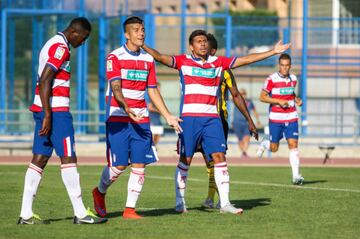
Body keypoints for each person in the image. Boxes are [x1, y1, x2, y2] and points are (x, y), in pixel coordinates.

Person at [143, 29, 290, 214]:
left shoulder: (218, 63)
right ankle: (180, 202)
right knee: (185, 160)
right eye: (198, 41)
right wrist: (143, 45)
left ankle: (225, 204)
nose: (203, 44)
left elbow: (246, 59)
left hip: (212, 119)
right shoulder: (182, 61)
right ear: (191, 46)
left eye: (204, 41)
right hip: (189, 120)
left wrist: (272, 52)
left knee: (219, 158)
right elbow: (160, 57)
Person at [18, 17, 107, 224]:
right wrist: (49, 114)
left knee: (39, 159)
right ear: (74, 32)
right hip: (55, 112)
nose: (82, 43)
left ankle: (25, 213)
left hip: (44, 109)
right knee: (68, 157)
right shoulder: (61, 47)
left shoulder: (53, 43)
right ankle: (80, 213)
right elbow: (45, 79)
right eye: (83, 38)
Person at [92, 16, 182, 219]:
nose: (141, 33)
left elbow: (152, 90)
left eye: (142, 29)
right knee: (120, 165)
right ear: (126, 34)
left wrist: (168, 115)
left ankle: (129, 210)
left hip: (141, 118)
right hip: (118, 116)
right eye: (136, 30)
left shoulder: (148, 59)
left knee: (139, 163)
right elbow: (116, 87)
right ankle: (99, 192)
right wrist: (125, 105)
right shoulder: (114, 57)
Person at [201, 33, 258, 209]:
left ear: (213, 50)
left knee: (216, 159)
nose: (201, 51)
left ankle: (218, 199)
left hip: (218, 120)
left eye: (206, 48)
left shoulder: (223, 70)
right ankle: (210, 199)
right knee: (204, 160)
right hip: (195, 119)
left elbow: (235, 95)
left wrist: (250, 120)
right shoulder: (191, 68)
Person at [256, 53, 304, 185]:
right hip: (276, 118)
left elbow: (290, 93)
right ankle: (265, 143)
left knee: (293, 145)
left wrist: (296, 100)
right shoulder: (271, 79)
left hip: (292, 116)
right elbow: (262, 97)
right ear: (279, 65)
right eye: (282, 66)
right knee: (274, 148)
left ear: (290, 66)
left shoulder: (294, 79)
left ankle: (296, 176)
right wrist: (278, 101)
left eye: (287, 66)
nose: (284, 68)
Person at [232, 88, 262, 158]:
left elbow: (255, 111)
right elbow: (231, 95)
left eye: (244, 94)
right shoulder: (236, 100)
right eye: (241, 94)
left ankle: (244, 152)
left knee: (247, 138)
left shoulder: (250, 102)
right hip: (237, 122)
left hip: (247, 123)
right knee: (240, 139)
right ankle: (243, 153)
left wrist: (258, 121)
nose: (243, 95)